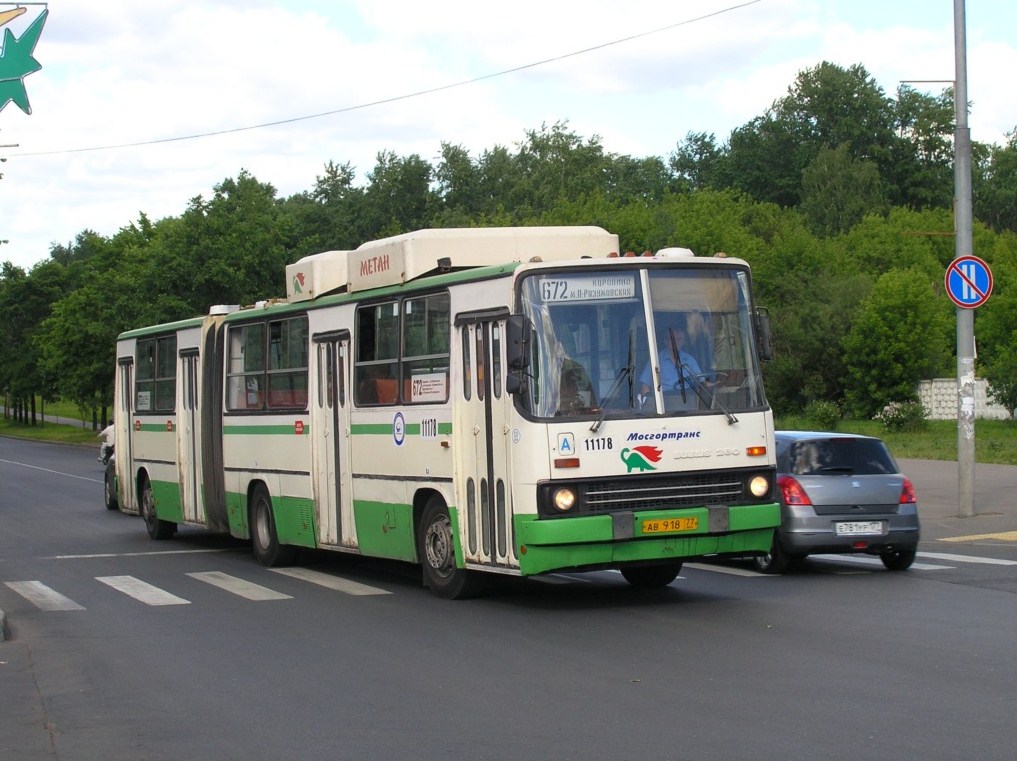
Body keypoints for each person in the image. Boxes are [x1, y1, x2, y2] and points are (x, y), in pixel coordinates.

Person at [638, 322, 703, 397]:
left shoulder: (689, 360)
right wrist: (648, 404)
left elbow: (701, 382)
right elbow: (645, 386)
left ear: (684, 342)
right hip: (663, 402)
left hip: (687, 401)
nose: (676, 342)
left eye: (680, 339)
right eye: (673, 339)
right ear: (666, 341)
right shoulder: (656, 360)